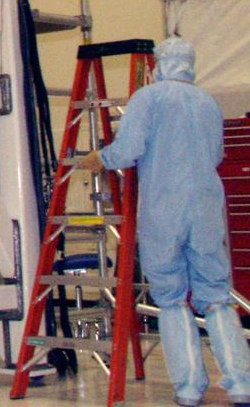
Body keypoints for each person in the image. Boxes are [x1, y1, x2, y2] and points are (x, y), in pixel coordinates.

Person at [80, 37, 250, 407]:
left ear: (158, 64)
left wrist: (99, 158)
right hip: (205, 207)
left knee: (172, 300)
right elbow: (218, 153)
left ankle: (189, 388)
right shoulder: (207, 101)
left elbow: (129, 150)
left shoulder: (149, 98)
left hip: (163, 209)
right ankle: (241, 384)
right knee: (217, 297)